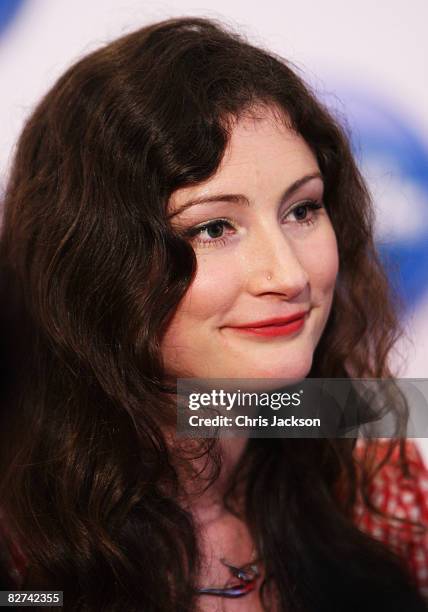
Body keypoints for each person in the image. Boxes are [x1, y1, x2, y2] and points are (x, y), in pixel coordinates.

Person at [0, 15, 427, 612]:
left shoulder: (380, 480)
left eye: (302, 210)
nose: (290, 275)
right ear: (92, 263)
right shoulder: (19, 542)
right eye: (214, 227)